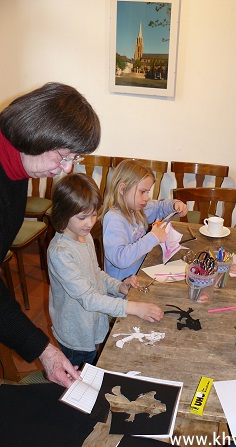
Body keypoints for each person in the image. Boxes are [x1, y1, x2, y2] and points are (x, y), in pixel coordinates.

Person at [0, 82, 101, 387]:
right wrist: (43, 349)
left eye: (75, 159)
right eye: (63, 156)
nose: (65, 169)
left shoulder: (17, 167)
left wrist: (43, 351)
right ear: (37, 133)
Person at [48, 173, 164, 367]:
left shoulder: (82, 237)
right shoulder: (60, 252)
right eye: (82, 217)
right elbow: (88, 298)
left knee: (93, 365)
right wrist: (133, 308)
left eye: (94, 214)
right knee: (79, 376)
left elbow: (96, 274)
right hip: (76, 333)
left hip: (91, 323)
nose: (90, 223)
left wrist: (118, 286)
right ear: (62, 213)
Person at [102, 159, 188, 280]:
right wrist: (153, 237)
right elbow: (120, 259)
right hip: (123, 288)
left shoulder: (136, 207)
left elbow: (159, 207)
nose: (146, 197)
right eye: (142, 192)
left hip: (141, 273)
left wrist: (174, 205)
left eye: (147, 192)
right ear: (122, 189)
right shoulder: (114, 219)